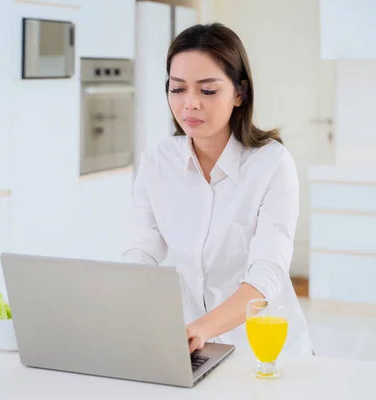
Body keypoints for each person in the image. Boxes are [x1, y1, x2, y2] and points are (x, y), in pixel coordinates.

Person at [122, 23, 313, 356]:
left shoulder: (272, 164)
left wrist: (200, 329)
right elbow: (142, 250)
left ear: (239, 93)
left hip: (266, 352)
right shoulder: (157, 163)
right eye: (177, 89)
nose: (189, 103)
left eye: (207, 91)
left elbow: (266, 272)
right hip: (197, 350)